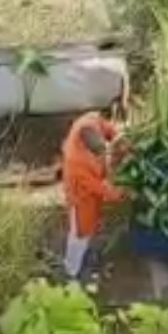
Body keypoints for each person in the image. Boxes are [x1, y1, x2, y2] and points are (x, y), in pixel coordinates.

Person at [60, 110, 125, 279]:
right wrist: (120, 193)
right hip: (80, 198)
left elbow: (106, 127)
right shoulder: (76, 162)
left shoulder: (91, 120)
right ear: (86, 148)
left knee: (92, 226)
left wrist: (117, 135)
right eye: (98, 154)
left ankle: (85, 255)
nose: (102, 157)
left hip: (92, 197)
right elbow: (100, 188)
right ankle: (71, 270)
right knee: (79, 233)